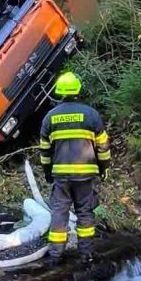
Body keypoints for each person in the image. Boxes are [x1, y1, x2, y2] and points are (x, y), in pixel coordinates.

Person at [39, 72, 111, 263]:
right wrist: (104, 168)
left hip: (61, 176)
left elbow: (45, 151)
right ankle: (86, 254)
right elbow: (103, 147)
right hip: (86, 175)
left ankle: (55, 256)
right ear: (78, 90)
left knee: (59, 212)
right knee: (85, 212)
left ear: (59, 92)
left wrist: (47, 173)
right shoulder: (91, 115)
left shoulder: (50, 118)